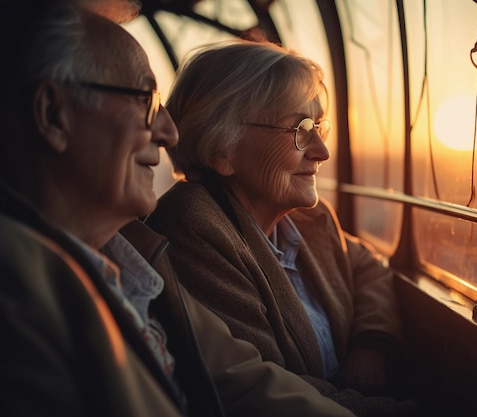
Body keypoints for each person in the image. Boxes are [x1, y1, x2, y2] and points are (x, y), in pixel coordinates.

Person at [0, 2, 359, 416]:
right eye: (145, 100)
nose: (168, 132)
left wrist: (375, 345)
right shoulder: (14, 291)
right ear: (53, 115)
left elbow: (239, 379)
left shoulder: (129, 252)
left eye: (317, 127)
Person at [145, 39, 413, 416]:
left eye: (319, 126)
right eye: (301, 129)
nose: (322, 151)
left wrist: (371, 344)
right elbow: (262, 395)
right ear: (221, 149)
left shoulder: (307, 220)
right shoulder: (193, 229)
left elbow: (368, 267)